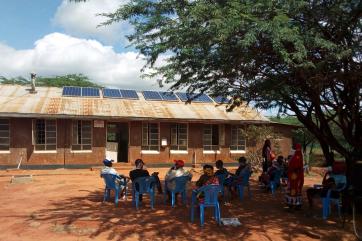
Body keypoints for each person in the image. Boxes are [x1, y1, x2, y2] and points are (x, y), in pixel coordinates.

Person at [285, 143, 304, 209]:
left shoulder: (296, 155)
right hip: (299, 176)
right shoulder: (300, 155)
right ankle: (298, 204)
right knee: (297, 188)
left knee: (293, 188)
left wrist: (293, 169)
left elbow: (295, 166)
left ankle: (292, 204)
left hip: (294, 176)